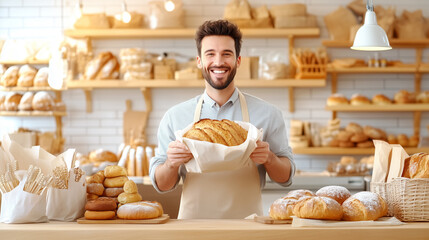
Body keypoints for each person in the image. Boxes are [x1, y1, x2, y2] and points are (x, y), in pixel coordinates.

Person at [149, 19, 295, 219]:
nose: (218, 62)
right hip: (194, 229)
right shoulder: (175, 116)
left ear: (238, 60)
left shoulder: (268, 114)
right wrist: (171, 164)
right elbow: (162, 186)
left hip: (248, 228)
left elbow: (286, 178)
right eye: (210, 54)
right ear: (199, 61)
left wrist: (269, 158)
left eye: (227, 54)